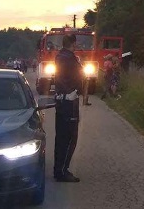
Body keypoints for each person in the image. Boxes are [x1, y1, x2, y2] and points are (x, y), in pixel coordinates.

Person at [53, 33, 83, 183]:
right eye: (76, 43)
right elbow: (79, 77)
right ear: (73, 44)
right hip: (69, 100)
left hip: (61, 100)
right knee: (70, 137)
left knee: (61, 137)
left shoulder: (59, 57)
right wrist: (73, 91)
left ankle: (58, 169)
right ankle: (63, 171)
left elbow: (58, 78)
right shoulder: (70, 59)